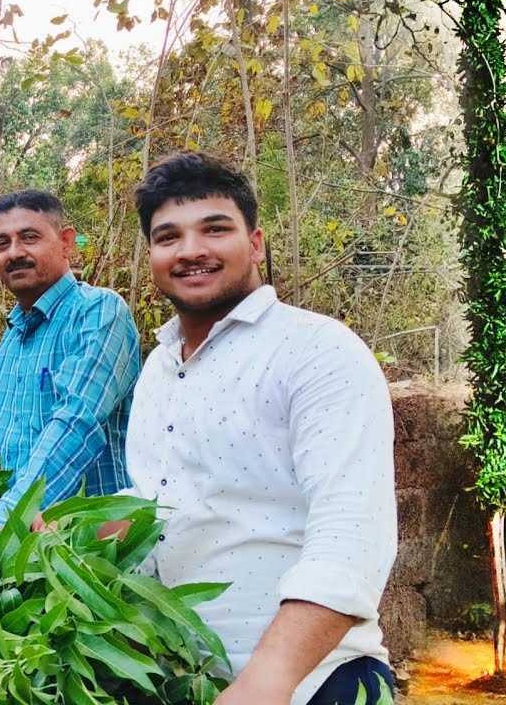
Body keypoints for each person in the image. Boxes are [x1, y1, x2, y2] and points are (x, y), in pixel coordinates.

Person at [117, 151, 398, 705]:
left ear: (256, 243)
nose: (191, 250)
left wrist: (266, 681)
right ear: (151, 255)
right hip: (181, 674)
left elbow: (351, 534)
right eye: (168, 236)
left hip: (310, 680)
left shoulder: (316, 350)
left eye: (215, 229)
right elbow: (159, 503)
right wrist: (33, 534)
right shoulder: (158, 365)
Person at [0, 190, 141, 530]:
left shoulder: (99, 312)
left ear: (66, 242)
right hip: (22, 543)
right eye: (2, 243)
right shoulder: (14, 335)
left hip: (87, 546)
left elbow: (75, 423)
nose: (14, 252)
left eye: (29, 238)